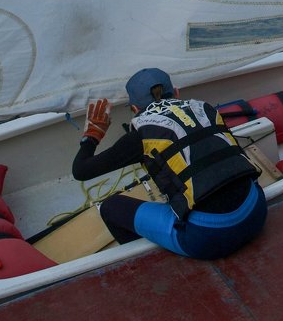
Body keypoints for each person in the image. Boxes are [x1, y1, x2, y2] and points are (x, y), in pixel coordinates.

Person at [72, 67, 267, 260]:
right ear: (176, 92)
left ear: (134, 109)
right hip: (257, 211)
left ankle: (147, 265)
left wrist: (92, 135)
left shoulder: (140, 135)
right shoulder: (205, 109)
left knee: (111, 207)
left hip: (208, 238)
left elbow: (81, 170)